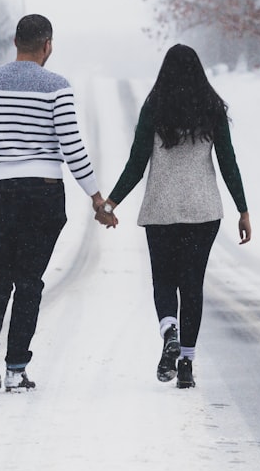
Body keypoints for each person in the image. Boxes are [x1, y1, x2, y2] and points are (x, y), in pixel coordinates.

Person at [0, 14, 108, 392]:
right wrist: (96, 196)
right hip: (43, 190)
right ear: (48, 46)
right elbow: (73, 148)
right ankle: (15, 369)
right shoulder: (56, 88)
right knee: (29, 279)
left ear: (15, 41)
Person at [97, 44, 250, 389]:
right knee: (192, 285)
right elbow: (228, 162)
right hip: (203, 211)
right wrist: (243, 209)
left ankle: (169, 330)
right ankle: (186, 365)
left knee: (164, 279)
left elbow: (137, 163)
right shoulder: (212, 109)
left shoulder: (155, 107)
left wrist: (111, 203)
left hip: (161, 210)